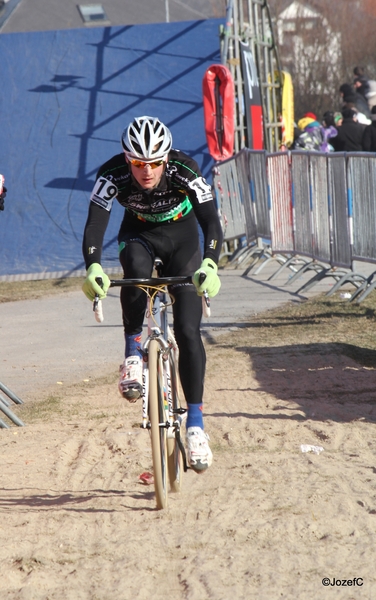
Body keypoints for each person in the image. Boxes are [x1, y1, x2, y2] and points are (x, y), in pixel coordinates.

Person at [82, 115, 223, 472]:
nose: (147, 172)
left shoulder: (183, 169)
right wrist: (93, 267)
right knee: (136, 271)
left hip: (184, 238)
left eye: (155, 163)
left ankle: (195, 425)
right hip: (140, 235)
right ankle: (132, 353)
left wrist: (210, 264)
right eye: (138, 163)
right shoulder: (112, 173)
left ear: (166, 158)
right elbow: (95, 223)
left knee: (189, 330)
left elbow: (212, 221)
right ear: (126, 158)